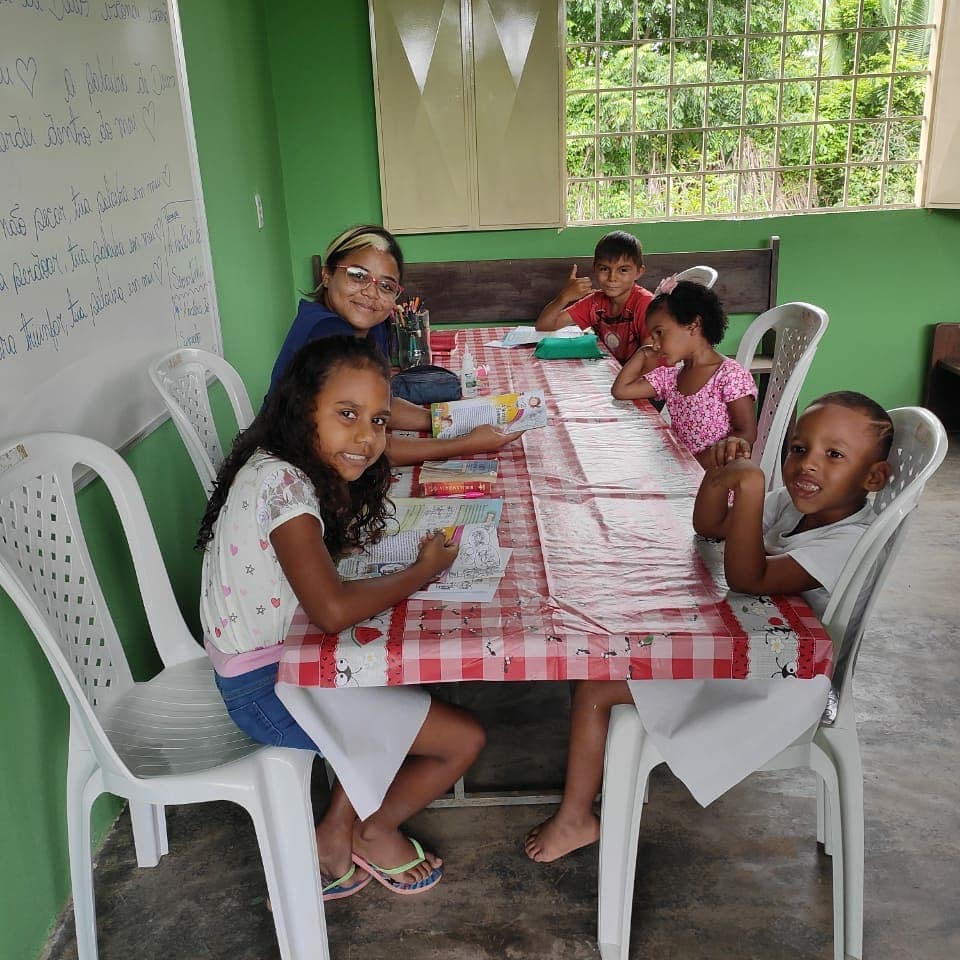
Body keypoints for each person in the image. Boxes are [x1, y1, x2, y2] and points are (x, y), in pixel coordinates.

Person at [524, 391, 892, 863]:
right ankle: (598, 781)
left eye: (833, 455)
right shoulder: (798, 508)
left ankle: (576, 818)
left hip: (783, 683)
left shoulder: (847, 539)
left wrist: (753, 489)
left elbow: (748, 577)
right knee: (624, 627)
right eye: (800, 449)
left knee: (597, 682)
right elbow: (709, 528)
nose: (808, 465)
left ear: (874, 476)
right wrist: (721, 480)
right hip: (751, 644)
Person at [199, 335, 486, 896]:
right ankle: (371, 830)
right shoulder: (283, 486)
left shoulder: (280, 466)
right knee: (463, 740)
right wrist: (422, 571)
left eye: (379, 420)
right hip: (267, 689)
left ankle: (334, 829)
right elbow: (331, 612)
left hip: (278, 665)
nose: (366, 437)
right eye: (347, 414)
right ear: (303, 408)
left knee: (402, 680)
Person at [269, 224, 521, 466]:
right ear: (327, 274)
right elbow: (365, 448)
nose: (371, 292)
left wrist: (448, 419)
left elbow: (378, 405)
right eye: (358, 275)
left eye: (386, 286)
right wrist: (466, 443)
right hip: (292, 464)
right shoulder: (326, 332)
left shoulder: (373, 326)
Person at [610, 278, 758, 468]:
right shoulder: (671, 377)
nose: (655, 344)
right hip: (682, 473)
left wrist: (697, 464)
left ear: (693, 325)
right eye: (652, 337)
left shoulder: (729, 375)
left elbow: (747, 432)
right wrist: (642, 352)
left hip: (715, 482)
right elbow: (620, 391)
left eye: (660, 333)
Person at [535, 230, 654, 364]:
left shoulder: (645, 304)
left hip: (641, 378)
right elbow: (544, 326)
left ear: (639, 272)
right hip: (612, 372)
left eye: (623, 270)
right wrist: (564, 297)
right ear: (595, 269)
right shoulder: (595, 302)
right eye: (604, 269)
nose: (612, 278)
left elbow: (650, 357)